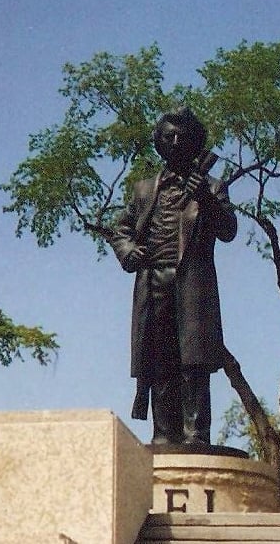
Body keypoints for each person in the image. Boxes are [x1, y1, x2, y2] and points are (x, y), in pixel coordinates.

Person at [106, 107, 237, 445]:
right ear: (158, 142)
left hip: (192, 283)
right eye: (168, 136)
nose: (176, 142)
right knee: (160, 359)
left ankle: (196, 433)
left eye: (184, 137)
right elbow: (120, 228)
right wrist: (127, 250)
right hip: (153, 283)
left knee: (193, 361)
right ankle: (164, 433)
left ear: (196, 143)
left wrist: (205, 198)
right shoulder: (145, 190)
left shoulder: (211, 186)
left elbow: (227, 230)